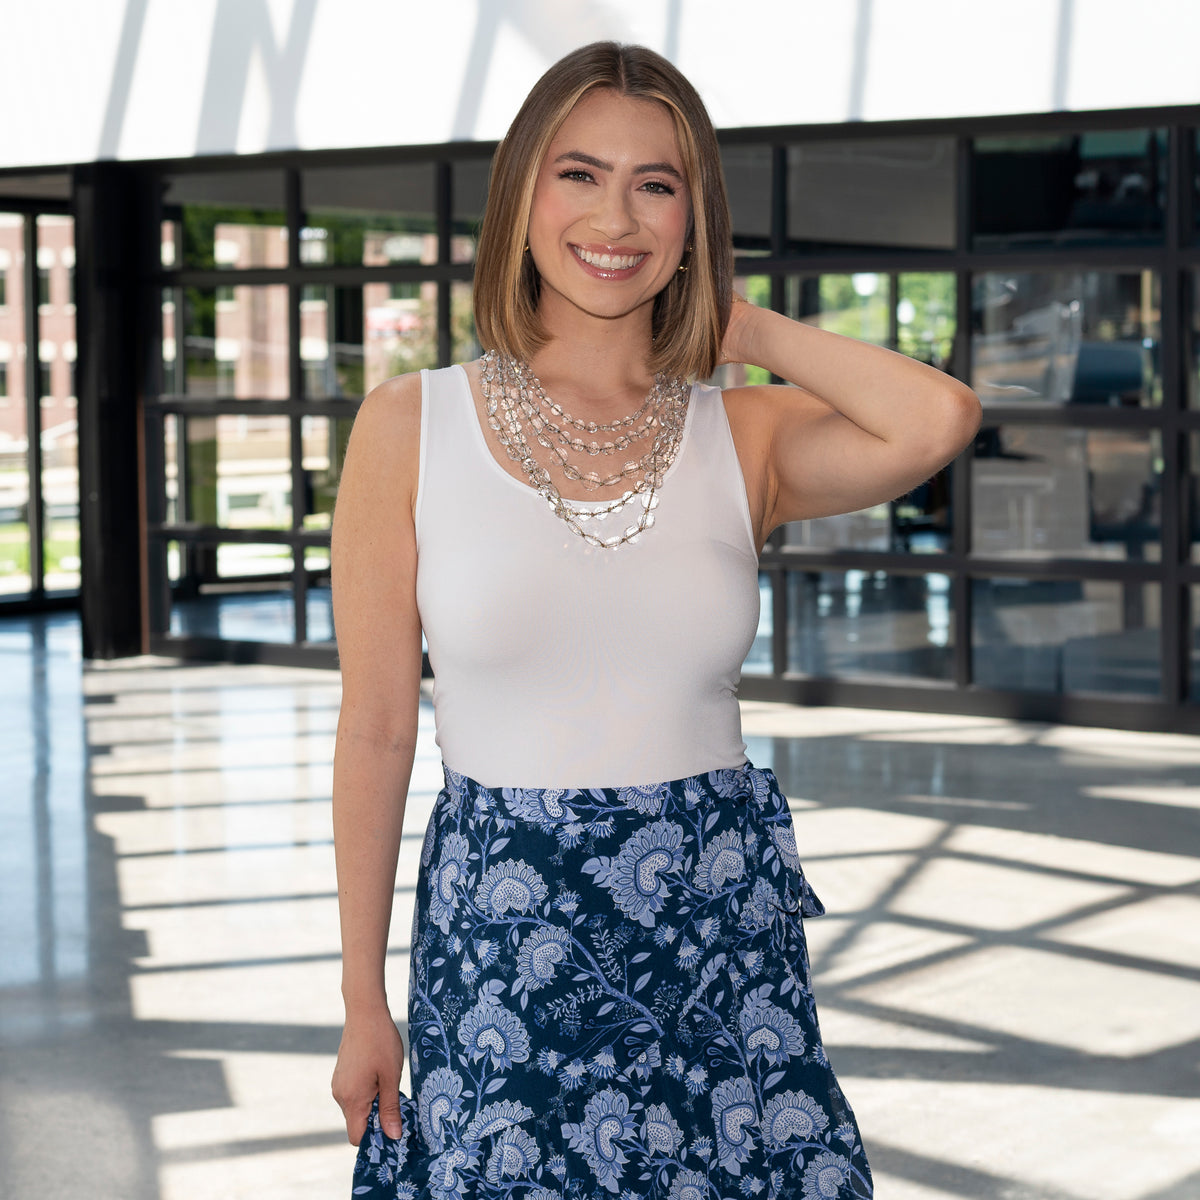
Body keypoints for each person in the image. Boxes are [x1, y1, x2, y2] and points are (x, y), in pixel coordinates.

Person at [330, 41, 980, 1200]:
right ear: (522, 193)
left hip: (718, 933)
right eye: (578, 173)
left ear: (693, 218)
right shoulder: (406, 426)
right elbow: (378, 730)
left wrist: (753, 330)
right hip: (504, 940)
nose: (614, 216)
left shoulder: (744, 433)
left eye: (657, 183)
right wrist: (361, 1003)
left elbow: (936, 419)